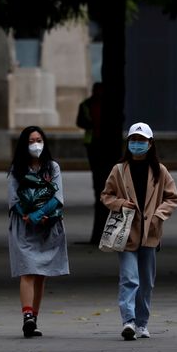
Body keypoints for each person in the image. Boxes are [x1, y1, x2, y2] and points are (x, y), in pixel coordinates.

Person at [100, 122, 177, 341]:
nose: (137, 144)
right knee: (129, 278)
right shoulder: (119, 170)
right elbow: (106, 195)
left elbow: (172, 198)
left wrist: (158, 215)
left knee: (146, 282)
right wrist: (120, 203)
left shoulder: (159, 170)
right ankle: (128, 321)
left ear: (150, 143)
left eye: (142, 141)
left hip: (151, 234)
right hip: (126, 233)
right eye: (134, 140)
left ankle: (142, 323)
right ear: (128, 143)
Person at [7, 126, 69, 338]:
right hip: (23, 228)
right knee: (28, 270)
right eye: (31, 140)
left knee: (41, 274)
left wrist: (40, 215)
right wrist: (27, 215)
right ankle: (27, 317)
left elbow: (58, 197)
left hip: (46, 227)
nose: (36, 144)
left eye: (39, 140)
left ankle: (34, 317)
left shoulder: (52, 168)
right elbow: (13, 199)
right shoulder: (17, 170)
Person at [75, 82, 107, 243]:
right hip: (92, 141)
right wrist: (92, 125)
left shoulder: (106, 104)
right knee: (96, 172)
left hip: (102, 142)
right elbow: (80, 121)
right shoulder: (86, 105)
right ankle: (98, 191)